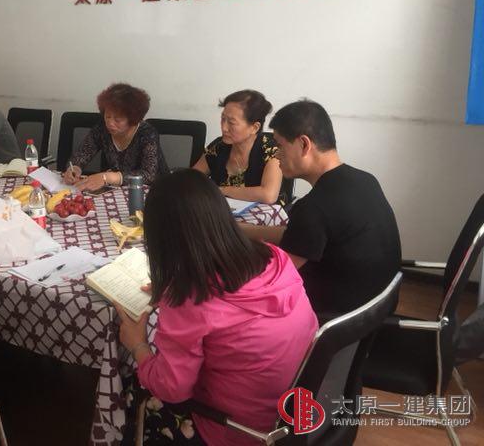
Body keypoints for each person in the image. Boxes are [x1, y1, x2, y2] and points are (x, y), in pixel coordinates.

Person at [116, 170, 317, 446]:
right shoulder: (275, 257)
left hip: (239, 430)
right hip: (295, 411)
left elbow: (171, 388)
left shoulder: (190, 299)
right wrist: (176, 289)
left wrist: (137, 345)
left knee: (131, 391)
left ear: (163, 240)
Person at [241, 100, 401, 318]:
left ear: (304, 144)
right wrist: (239, 229)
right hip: (377, 304)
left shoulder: (314, 207)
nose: (276, 155)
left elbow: (272, 279)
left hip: (337, 318)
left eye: (279, 146)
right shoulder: (365, 180)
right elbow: (299, 236)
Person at [63, 83, 168, 190]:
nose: (110, 123)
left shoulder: (147, 133)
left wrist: (107, 177)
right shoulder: (101, 128)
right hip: (117, 190)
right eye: (107, 116)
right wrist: (74, 168)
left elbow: (149, 175)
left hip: (155, 191)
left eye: (117, 119)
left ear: (132, 119)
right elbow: (82, 154)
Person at [192, 89, 284, 205]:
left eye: (231, 123)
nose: (224, 128)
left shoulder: (270, 151)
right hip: (223, 212)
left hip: (263, 215)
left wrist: (221, 190)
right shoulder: (218, 147)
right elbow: (191, 179)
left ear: (254, 127)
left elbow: (268, 195)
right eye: (223, 119)